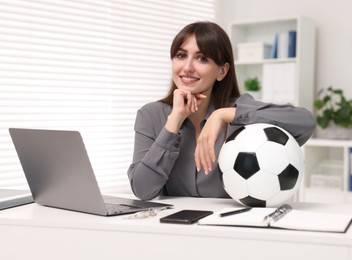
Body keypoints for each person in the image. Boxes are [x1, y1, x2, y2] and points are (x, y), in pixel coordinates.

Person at [128, 21, 315, 201]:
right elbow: (143, 190)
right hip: (173, 228)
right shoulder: (150, 115)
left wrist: (222, 115)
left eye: (202, 58)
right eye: (181, 55)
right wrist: (174, 121)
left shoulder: (237, 110)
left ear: (222, 71)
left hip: (228, 227)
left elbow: (304, 122)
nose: (187, 67)